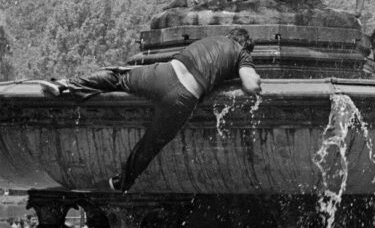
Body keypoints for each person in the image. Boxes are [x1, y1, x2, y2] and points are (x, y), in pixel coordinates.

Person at [53, 28, 261, 193]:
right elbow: (251, 85)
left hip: (163, 74)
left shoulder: (212, 39)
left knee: (118, 78)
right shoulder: (240, 52)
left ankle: (68, 84)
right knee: (150, 144)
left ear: (229, 36)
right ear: (244, 45)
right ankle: (121, 183)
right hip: (183, 98)